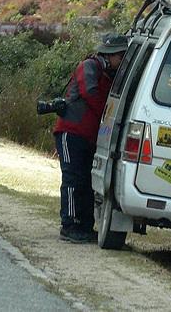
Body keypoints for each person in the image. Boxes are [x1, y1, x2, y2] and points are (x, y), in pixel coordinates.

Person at [53, 33, 128, 243]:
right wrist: (110, 115)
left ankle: (84, 226)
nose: (122, 61)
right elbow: (90, 93)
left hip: (88, 136)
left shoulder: (106, 72)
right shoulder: (89, 66)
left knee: (86, 181)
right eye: (120, 56)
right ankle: (68, 225)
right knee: (72, 180)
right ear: (111, 54)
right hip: (71, 132)